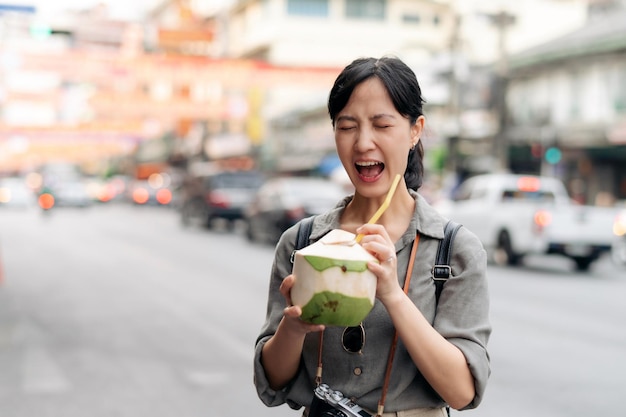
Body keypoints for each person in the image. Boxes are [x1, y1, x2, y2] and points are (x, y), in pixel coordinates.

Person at [254, 56, 491, 417]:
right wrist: (294, 326)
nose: (363, 143)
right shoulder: (301, 244)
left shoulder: (454, 250)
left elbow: (461, 392)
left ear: (415, 131)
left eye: (382, 125)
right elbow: (272, 383)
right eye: (347, 126)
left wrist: (392, 294)